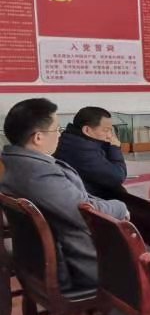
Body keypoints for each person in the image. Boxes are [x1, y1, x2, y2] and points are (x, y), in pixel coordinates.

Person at [0, 98, 129, 291]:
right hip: (80, 266)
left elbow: (79, 199)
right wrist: (120, 207)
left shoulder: (13, 161)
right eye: (56, 129)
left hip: (39, 260)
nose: (60, 135)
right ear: (38, 137)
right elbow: (85, 211)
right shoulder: (39, 174)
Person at [54, 106, 127, 199]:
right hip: (90, 200)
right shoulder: (82, 149)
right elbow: (117, 176)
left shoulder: (69, 138)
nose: (109, 135)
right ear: (87, 130)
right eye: (106, 130)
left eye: (111, 130)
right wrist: (115, 148)